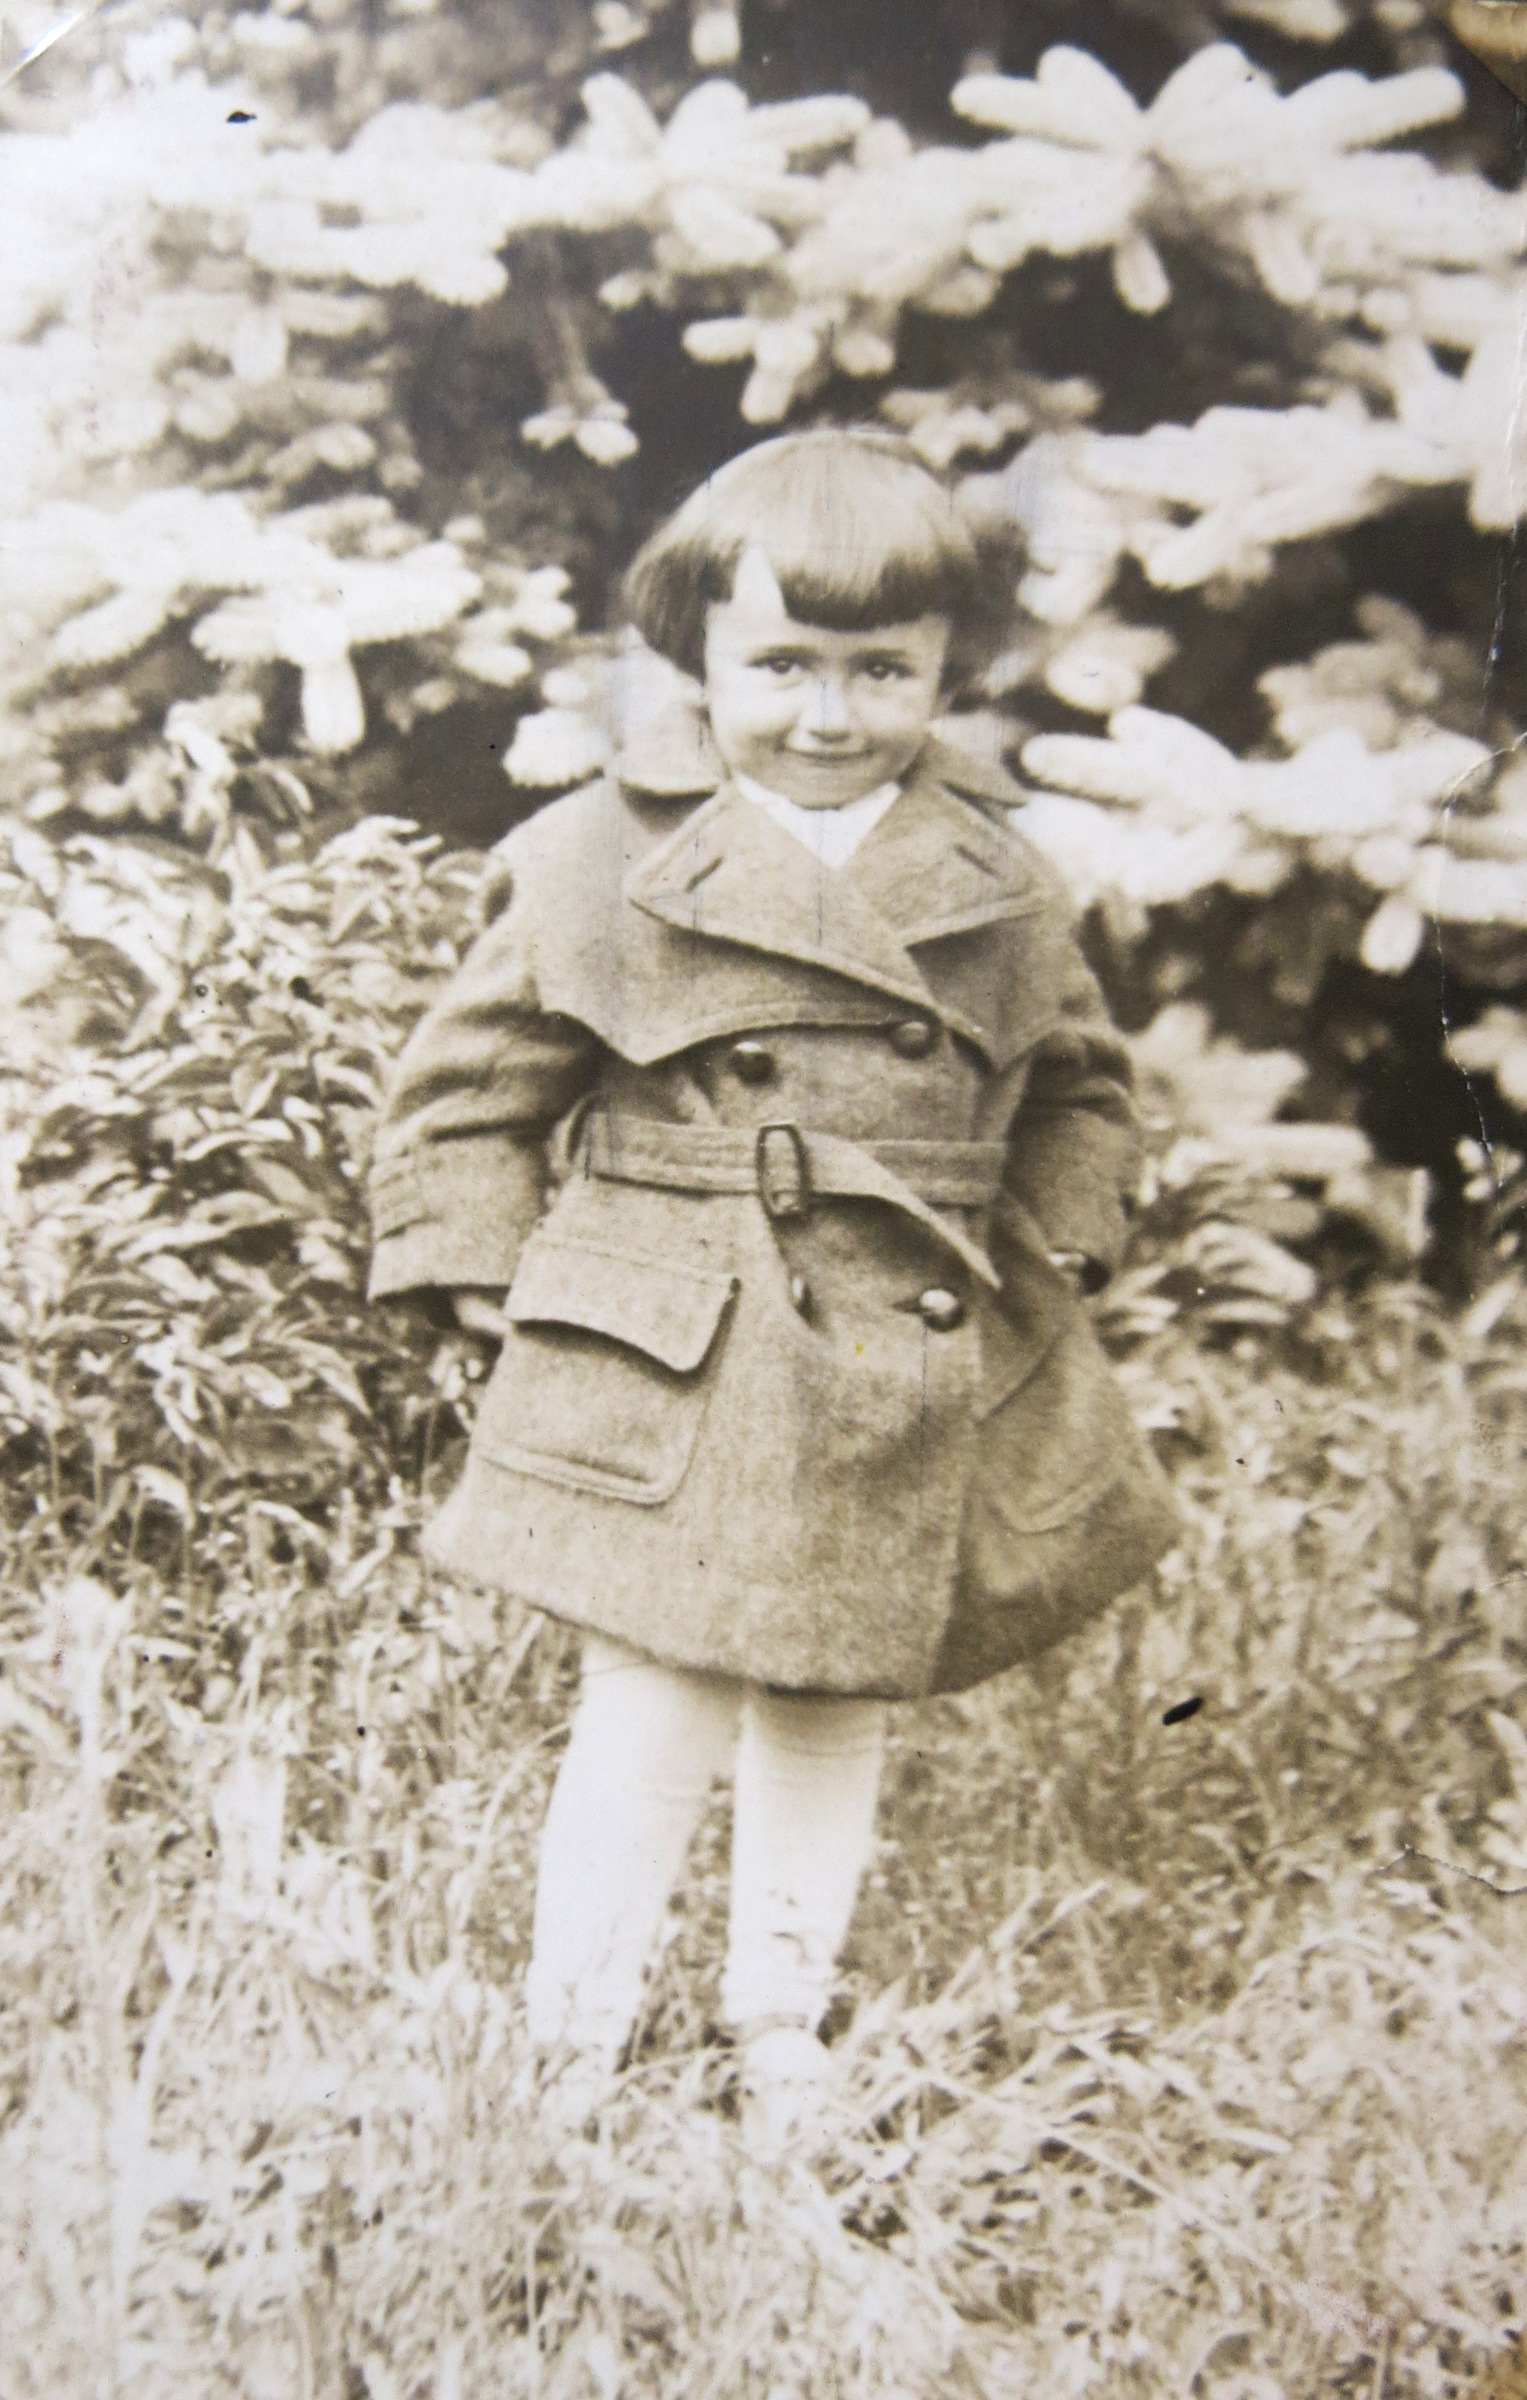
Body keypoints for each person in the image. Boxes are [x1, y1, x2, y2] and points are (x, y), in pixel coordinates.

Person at [367, 428, 1178, 2144]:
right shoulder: (596, 856)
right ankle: (568, 2038)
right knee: (652, 1696)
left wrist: (1058, 1240)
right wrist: (479, 1270)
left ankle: (780, 2014)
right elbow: (464, 1095)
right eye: (784, 666)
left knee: (833, 1695)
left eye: (882, 670)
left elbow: (1085, 1091)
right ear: (700, 653)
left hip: (900, 1339)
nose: (828, 714)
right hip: (675, 1338)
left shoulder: (1004, 878)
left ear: (949, 668)